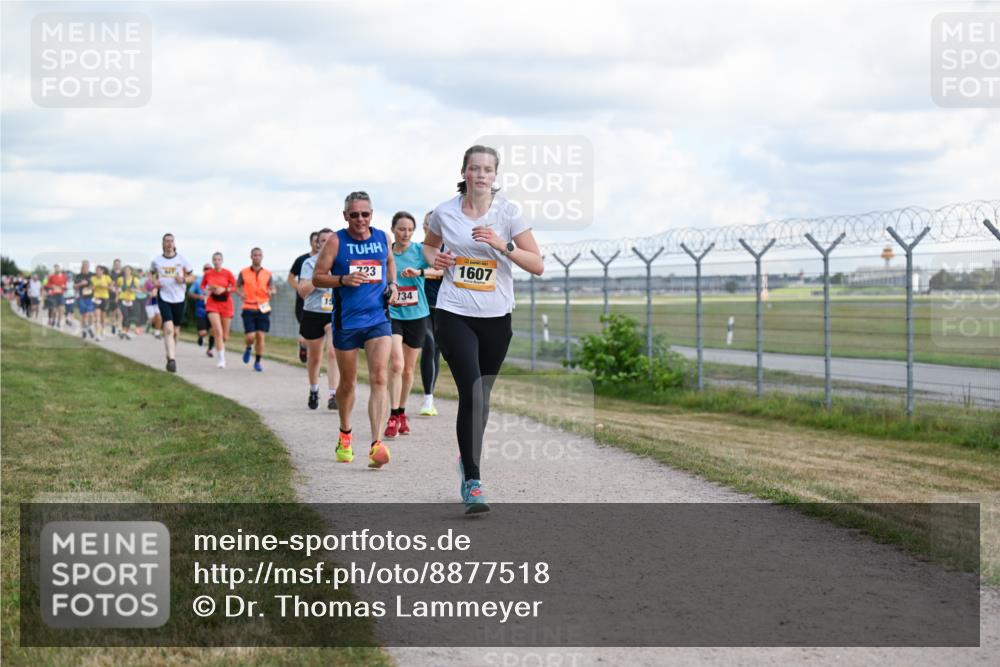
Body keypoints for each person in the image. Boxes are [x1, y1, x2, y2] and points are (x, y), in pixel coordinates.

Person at [423, 145, 544, 513]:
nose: (480, 175)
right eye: (474, 168)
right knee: (472, 393)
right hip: (454, 310)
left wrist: (502, 245)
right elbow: (428, 250)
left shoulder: (509, 212)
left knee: (483, 397)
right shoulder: (444, 212)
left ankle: (466, 457)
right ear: (464, 171)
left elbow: (536, 264)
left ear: (495, 175)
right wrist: (438, 259)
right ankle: (473, 481)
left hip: (496, 317)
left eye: (487, 170)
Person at [312, 191, 398, 469]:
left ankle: (376, 444)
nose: (360, 219)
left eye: (365, 214)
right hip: (347, 322)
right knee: (348, 384)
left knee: (380, 377)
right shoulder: (337, 241)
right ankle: (345, 433)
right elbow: (318, 277)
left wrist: (393, 285)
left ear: (372, 214)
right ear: (345, 216)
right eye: (354, 214)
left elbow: (390, 262)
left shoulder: (383, 237)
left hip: (378, 319)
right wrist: (342, 279)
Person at [385, 211, 442, 438]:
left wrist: (419, 272)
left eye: (410, 229)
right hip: (392, 314)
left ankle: (401, 412)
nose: (405, 233)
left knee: (408, 369)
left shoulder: (420, 250)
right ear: (393, 230)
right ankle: (392, 414)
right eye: (401, 229)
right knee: (396, 365)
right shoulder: (387, 254)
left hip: (417, 315)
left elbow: (440, 270)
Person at [296, 228, 341, 410]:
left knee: (332, 351)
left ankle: (333, 394)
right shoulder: (309, 263)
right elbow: (303, 292)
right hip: (313, 312)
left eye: (330, 240)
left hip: (333, 312)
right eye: (323, 240)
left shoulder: (341, 262)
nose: (326, 243)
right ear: (318, 243)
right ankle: (314, 389)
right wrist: (321, 278)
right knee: (315, 357)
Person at [151, 233, 194, 372]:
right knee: (168, 329)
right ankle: (171, 360)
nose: (169, 244)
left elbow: (192, 276)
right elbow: (151, 274)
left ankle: (170, 352)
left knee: (175, 332)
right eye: (166, 241)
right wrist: (155, 282)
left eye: (171, 241)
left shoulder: (182, 259)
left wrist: (184, 280)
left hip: (179, 298)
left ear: (174, 244)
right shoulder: (157, 260)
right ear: (163, 244)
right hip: (164, 296)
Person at [420, 212, 444, 416]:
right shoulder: (418, 249)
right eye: (429, 223)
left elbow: (447, 272)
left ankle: (431, 395)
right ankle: (427, 397)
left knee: (436, 350)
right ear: (424, 226)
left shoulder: (450, 249)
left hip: (444, 306)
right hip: (422, 306)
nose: (432, 227)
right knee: (428, 343)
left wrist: (423, 272)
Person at [236, 247, 275, 372]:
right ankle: (248, 347)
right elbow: (237, 287)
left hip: (263, 307)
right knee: (250, 336)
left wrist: (272, 291)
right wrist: (240, 293)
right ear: (251, 256)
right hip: (248, 306)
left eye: (259, 255)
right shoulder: (243, 272)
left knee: (260, 335)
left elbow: (273, 288)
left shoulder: (268, 273)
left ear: (262, 257)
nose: (257, 257)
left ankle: (258, 362)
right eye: (255, 255)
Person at [288, 231, 321, 363]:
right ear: (311, 243)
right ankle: (304, 348)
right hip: (304, 302)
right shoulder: (302, 260)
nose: (318, 244)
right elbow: (290, 279)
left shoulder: (329, 259)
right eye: (316, 241)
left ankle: (315, 360)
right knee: (305, 332)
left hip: (324, 304)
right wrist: (301, 289)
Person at [201, 253, 236, 369]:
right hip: (212, 304)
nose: (216, 261)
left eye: (218, 259)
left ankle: (220, 346)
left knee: (225, 336)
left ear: (222, 261)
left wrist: (224, 289)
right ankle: (221, 359)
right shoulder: (208, 273)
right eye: (214, 260)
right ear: (212, 261)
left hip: (226, 304)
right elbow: (202, 286)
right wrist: (208, 289)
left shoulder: (228, 273)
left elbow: (236, 287)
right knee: (218, 331)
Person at [189, 263, 214, 355]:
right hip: (201, 309)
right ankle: (201, 336)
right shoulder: (198, 281)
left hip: (213, 309)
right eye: (206, 269)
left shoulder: (215, 281)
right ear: (203, 270)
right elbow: (190, 293)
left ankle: (210, 349)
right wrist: (198, 296)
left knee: (213, 330)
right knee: (203, 332)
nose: (208, 270)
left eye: (210, 269)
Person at [115, 265, 142, 338]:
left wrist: (134, 290)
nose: (126, 271)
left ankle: (125, 331)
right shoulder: (120, 279)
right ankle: (123, 330)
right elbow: (116, 288)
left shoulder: (135, 280)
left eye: (128, 270)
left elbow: (139, 290)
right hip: (122, 300)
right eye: (125, 270)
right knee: (124, 315)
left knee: (129, 317)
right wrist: (117, 295)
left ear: (131, 271)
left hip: (131, 300)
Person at [90, 265, 113, 340]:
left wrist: (104, 286)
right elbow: (91, 288)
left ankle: (102, 331)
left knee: (103, 317)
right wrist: (94, 287)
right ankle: (97, 334)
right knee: (97, 317)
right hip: (96, 298)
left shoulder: (107, 278)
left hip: (105, 298)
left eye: (99, 270)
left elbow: (111, 288)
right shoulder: (93, 278)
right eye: (96, 270)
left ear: (102, 271)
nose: (97, 272)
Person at [46, 264, 68, 328]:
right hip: (53, 295)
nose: (57, 269)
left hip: (60, 295)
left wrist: (63, 287)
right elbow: (48, 285)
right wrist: (52, 286)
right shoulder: (51, 276)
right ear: (54, 269)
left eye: (58, 268)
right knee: (54, 310)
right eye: (56, 268)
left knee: (61, 310)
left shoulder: (64, 277)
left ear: (60, 269)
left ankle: (58, 322)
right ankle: (53, 321)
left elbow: (65, 287)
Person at [142, 270, 162, 339]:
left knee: (159, 318)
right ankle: (147, 324)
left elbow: (161, 288)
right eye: (151, 274)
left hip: (156, 302)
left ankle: (157, 333)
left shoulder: (158, 281)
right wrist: (149, 293)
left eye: (154, 274)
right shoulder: (147, 282)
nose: (152, 276)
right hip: (149, 302)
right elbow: (143, 290)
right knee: (152, 318)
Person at [109, 258, 123, 335]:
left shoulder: (123, 273)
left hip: (122, 295)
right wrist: (113, 288)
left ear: (120, 265)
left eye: (118, 264)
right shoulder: (111, 274)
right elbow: (109, 284)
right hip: (113, 295)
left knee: (120, 312)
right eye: (116, 264)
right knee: (114, 312)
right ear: (114, 265)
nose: (117, 265)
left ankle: (120, 326)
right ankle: (113, 325)